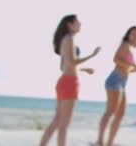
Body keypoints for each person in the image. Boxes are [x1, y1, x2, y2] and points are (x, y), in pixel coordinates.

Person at [40, 15, 101, 146]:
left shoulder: (65, 39)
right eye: (78, 22)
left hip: (64, 81)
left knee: (57, 121)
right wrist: (92, 55)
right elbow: (72, 62)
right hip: (70, 83)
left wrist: (84, 70)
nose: (80, 24)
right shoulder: (70, 39)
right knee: (64, 124)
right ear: (70, 24)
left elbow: (65, 66)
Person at [95, 26, 136, 146]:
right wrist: (135, 66)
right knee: (110, 111)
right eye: (133, 34)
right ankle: (100, 141)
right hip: (115, 80)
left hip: (122, 82)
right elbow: (116, 60)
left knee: (120, 113)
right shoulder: (125, 45)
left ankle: (110, 142)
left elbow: (125, 68)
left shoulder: (130, 48)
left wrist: (135, 70)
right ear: (128, 35)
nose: (135, 36)